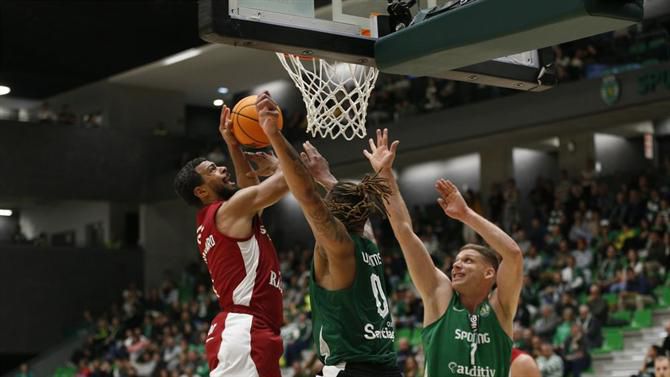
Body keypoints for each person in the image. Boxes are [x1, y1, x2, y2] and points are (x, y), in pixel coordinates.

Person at [258, 96, 400, 377]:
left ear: (334, 214)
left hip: (352, 369)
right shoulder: (367, 242)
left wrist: (275, 135)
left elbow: (307, 196)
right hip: (388, 369)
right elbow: (355, 208)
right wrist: (327, 177)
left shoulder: (339, 247)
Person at [362, 129, 523, 377]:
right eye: (457, 261)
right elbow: (405, 233)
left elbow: (512, 254)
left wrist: (466, 215)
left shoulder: (501, 309)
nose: (456, 266)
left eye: (467, 260)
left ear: (490, 272)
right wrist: (385, 175)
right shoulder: (441, 295)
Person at [173, 93, 289, 377]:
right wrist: (272, 137)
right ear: (201, 191)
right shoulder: (227, 212)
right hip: (245, 328)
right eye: (213, 170)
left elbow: (248, 189)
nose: (222, 167)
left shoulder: (221, 217)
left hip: (246, 329)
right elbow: (290, 180)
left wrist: (233, 143)